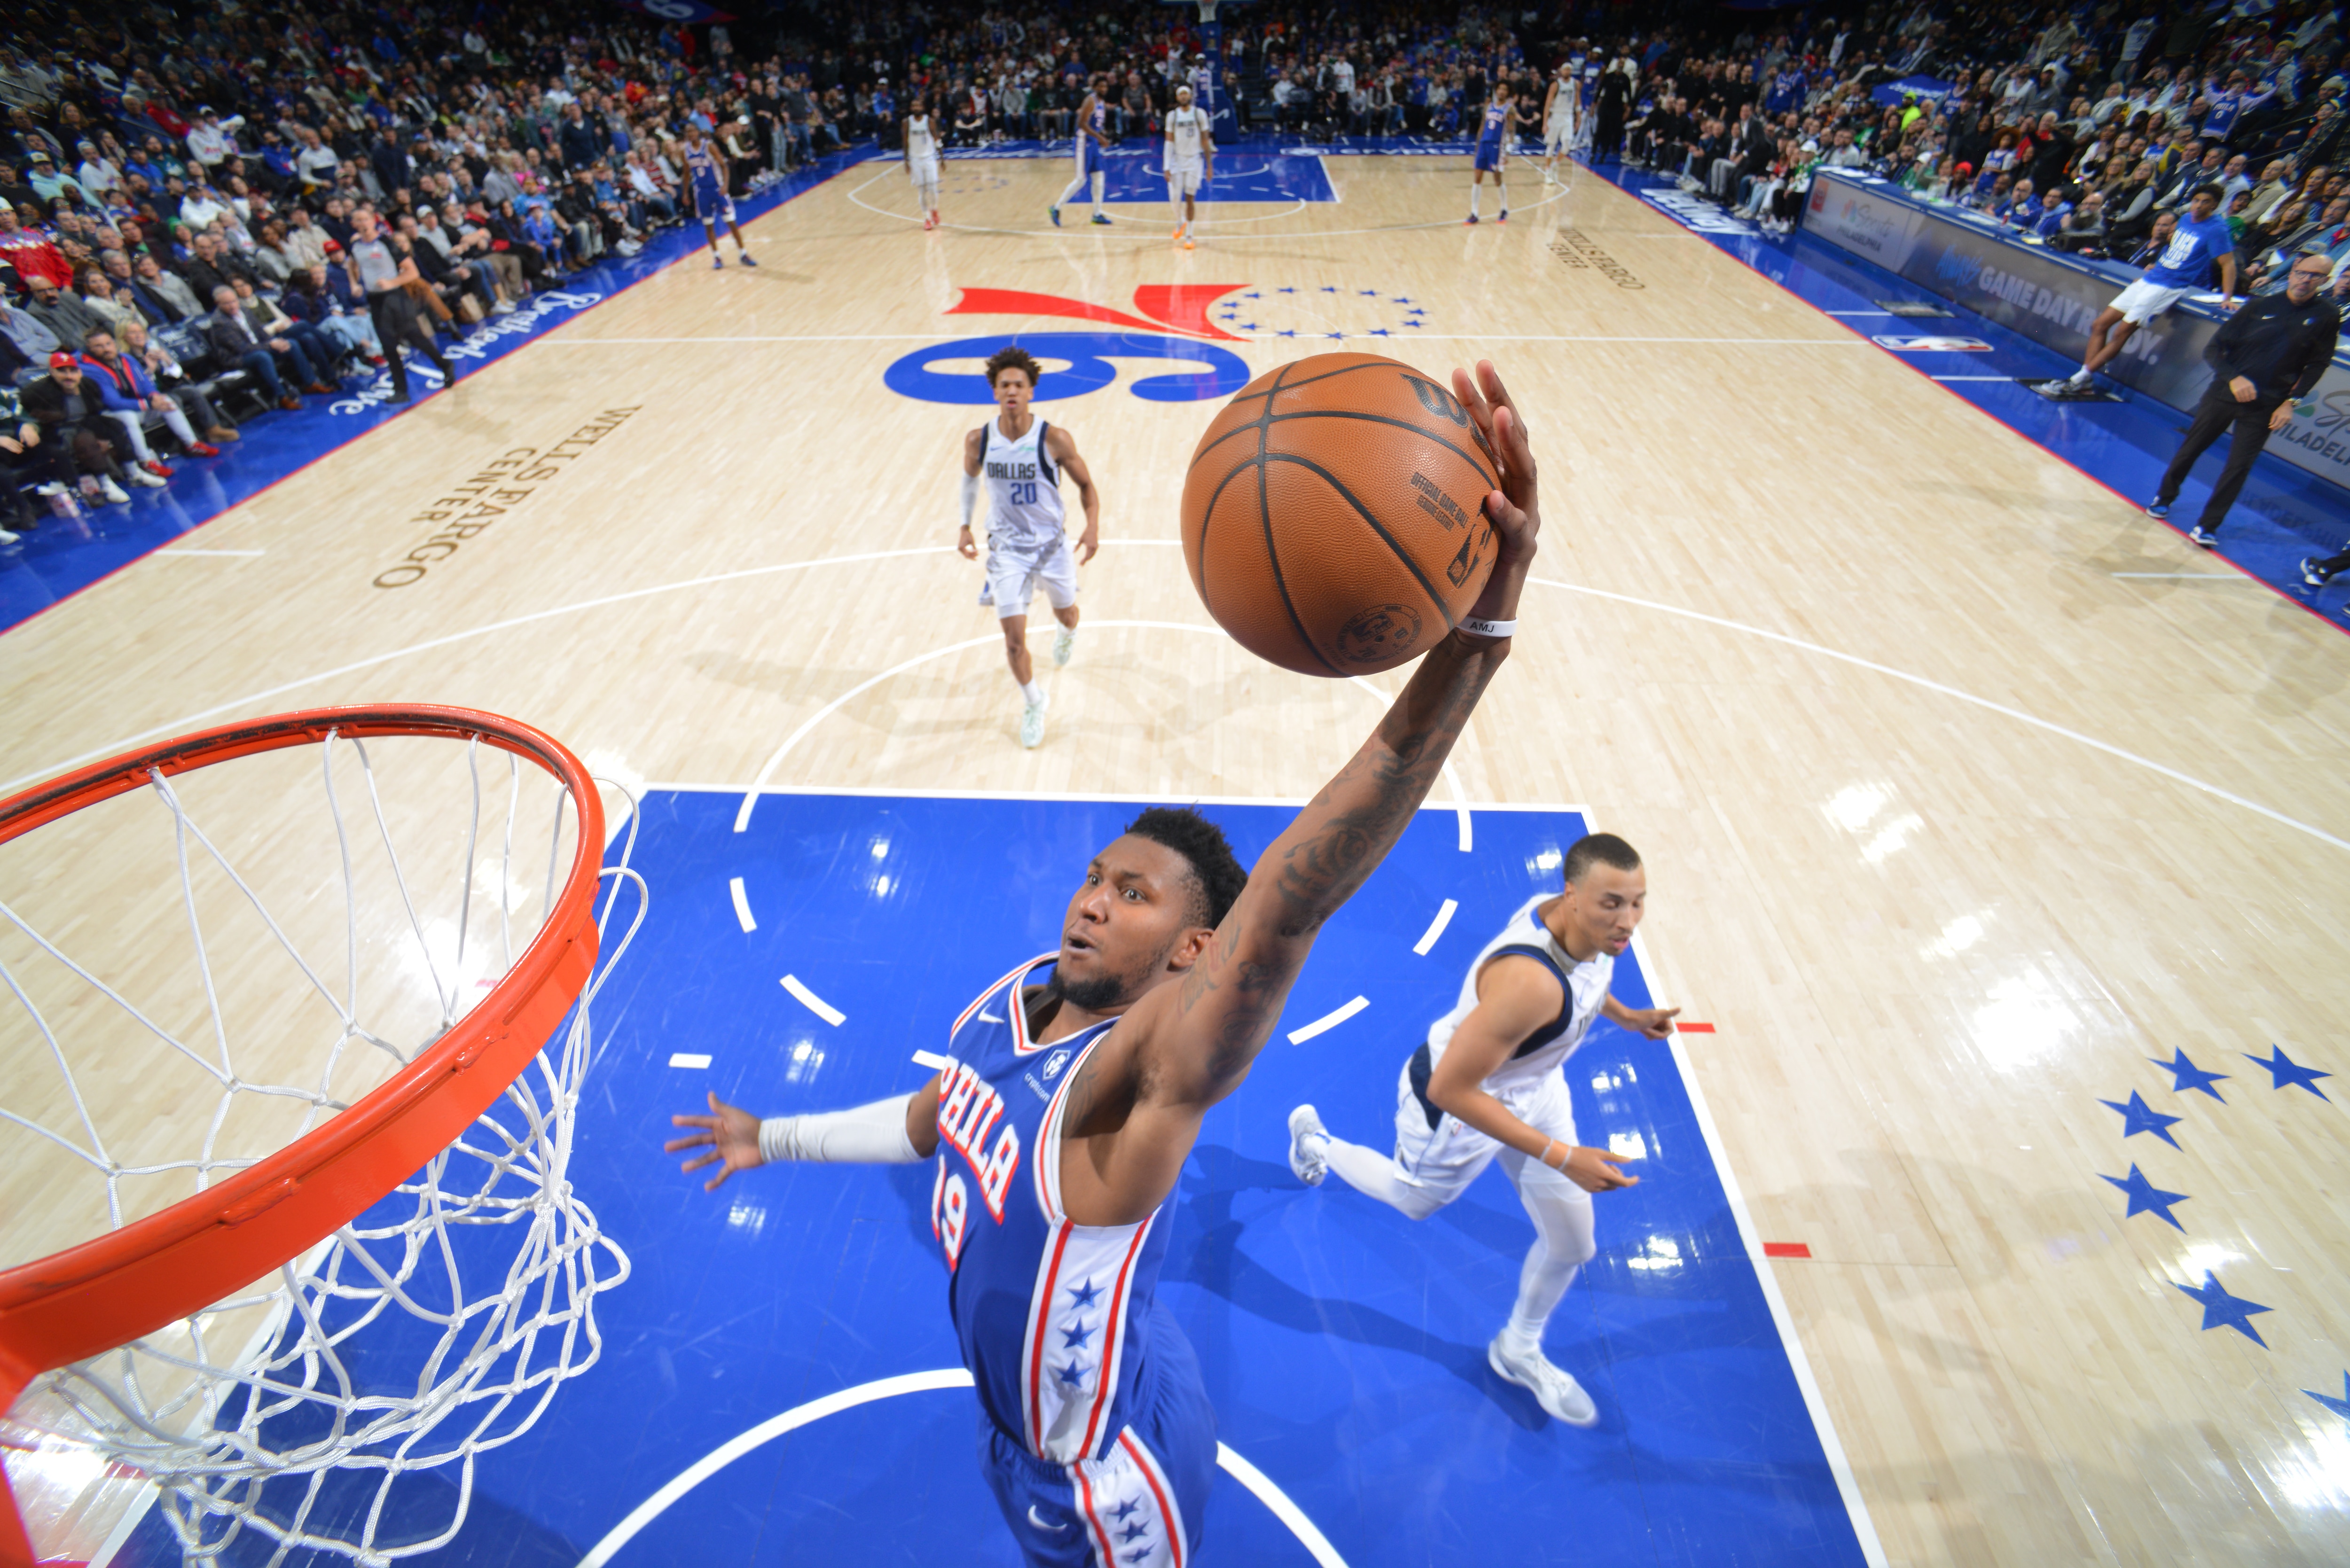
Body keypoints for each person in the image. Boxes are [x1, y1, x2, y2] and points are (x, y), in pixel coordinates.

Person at [666, 359, 1539, 1568]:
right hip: (1107, 1361)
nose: (1090, 900)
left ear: (1191, 949)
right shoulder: (1013, 996)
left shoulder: (1145, 1062)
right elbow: (932, 1119)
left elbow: (1289, 900)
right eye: (1095, 875)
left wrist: (1480, 635)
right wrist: (780, 1135)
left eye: (1134, 895)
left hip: (1091, 1481)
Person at [1285, 833, 1675, 1425]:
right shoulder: (1528, 984)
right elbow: (1451, 1088)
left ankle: (1517, 1349)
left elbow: (1588, 982)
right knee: (1412, 1201)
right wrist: (1562, 1156)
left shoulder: (1583, 931)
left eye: (1637, 902)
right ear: (1571, 896)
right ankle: (1316, 1141)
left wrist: (1627, 1017)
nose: (1628, 921)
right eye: (1612, 904)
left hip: (1534, 1089)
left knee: (1573, 1244)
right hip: (1456, 1105)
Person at [955, 346, 1100, 748]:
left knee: (1067, 613)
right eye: (1005, 385)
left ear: (1032, 391)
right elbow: (969, 481)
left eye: (1020, 384)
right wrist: (965, 525)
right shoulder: (979, 440)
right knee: (1014, 640)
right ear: (995, 392)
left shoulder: (1053, 438)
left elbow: (1087, 486)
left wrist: (1092, 527)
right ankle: (1035, 701)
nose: (1012, 391)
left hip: (1052, 547)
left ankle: (1065, 630)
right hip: (1007, 552)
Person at [2146, 253, 2340, 546]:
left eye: (2316, 276)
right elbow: (2214, 349)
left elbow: (2318, 364)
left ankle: (2208, 526)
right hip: (2224, 394)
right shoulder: (2261, 305)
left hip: (2268, 403)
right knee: (2192, 448)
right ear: (2292, 273)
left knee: (2239, 467)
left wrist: (2292, 401)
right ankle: (2165, 496)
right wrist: (2234, 378)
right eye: (2302, 272)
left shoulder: (2327, 315)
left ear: (2326, 281)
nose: (2306, 279)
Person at [2054, 183, 2237, 395]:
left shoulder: (2217, 230)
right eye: (2196, 200)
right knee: (2100, 325)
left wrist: (2227, 297)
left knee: (2122, 332)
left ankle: (2080, 378)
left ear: (2215, 205)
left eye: (2205, 202)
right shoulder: (2186, 219)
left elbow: (2228, 264)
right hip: (2151, 278)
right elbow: (2173, 250)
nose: (2199, 205)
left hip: (2169, 287)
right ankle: (2084, 379)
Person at [348, 209, 456, 405]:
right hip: (376, 299)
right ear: (353, 224)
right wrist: (355, 283)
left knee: (415, 337)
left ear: (373, 221)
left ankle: (445, 364)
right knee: (389, 346)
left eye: (365, 219)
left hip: (396, 297)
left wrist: (392, 282)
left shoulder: (386, 243)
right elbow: (352, 265)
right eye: (358, 220)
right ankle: (401, 391)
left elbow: (412, 272)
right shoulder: (356, 246)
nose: (363, 223)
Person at [78, 326, 219, 469]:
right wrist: (148, 404)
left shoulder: (126, 359)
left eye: (108, 344)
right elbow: (113, 402)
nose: (106, 349)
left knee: (166, 401)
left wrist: (154, 396)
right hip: (111, 414)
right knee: (128, 417)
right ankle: (146, 462)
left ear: (114, 343)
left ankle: (191, 444)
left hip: (138, 406)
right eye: (99, 346)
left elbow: (145, 383)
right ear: (89, 348)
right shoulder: (89, 369)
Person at [23, 351, 143, 501]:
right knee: (85, 439)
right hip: (59, 429)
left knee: (116, 425)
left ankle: (134, 472)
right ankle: (105, 483)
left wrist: (103, 436)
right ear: (52, 372)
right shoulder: (37, 392)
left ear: (79, 371)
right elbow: (40, 418)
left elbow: (96, 409)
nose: (68, 376)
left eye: (72, 370)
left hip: (86, 421)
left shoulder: (87, 384)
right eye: (62, 371)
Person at [682, 122, 756, 268]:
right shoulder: (685, 151)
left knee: (731, 223)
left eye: (693, 131)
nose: (691, 134)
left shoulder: (709, 146)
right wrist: (685, 193)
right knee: (708, 226)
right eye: (688, 132)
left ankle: (743, 253)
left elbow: (724, 166)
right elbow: (686, 173)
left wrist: (725, 186)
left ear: (698, 132)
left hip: (717, 189)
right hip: (702, 192)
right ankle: (716, 257)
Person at [1051, 75, 1114, 227]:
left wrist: (1101, 136)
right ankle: (1056, 208)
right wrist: (1100, 137)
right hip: (1083, 142)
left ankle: (1097, 215)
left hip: (1093, 144)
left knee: (1099, 177)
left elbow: (1096, 124)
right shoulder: (1090, 100)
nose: (1103, 89)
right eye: (1101, 86)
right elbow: (1081, 123)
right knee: (1081, 180)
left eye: (1105, 87)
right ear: (1095, 88)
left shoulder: (1102, 102)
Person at [1162, 83, 1212, 250]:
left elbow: (1206, 140)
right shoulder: (1172, 116)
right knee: (1174, 198)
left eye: (1186, 94)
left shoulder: (1199, 114)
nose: (1184, 97)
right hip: (1177, 160)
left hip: (1194, 161)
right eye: (1181, 94)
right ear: (1177, 98)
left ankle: (1189, 235)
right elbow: (1168, 142)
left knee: (1190, 198)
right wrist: (1166, 166)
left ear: (1190, 96)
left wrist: (1209, 166)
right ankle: (1180, 221)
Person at [1468, 84, 1519, 225]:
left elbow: (1511, 130)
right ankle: (1474, 212)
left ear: (1508, 93)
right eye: (1500, 89)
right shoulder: (1488, 106)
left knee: (1497, 179)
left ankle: (1504, 209)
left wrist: (1508, 151)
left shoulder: (1510, 109)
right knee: (1477, 177)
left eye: (1505, 89)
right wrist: (1476, 148)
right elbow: (1482, 128)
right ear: (1496, 91)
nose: (1502, 91)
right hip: (1484, 144)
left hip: (1498, 147)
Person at [905, 94, 942, 231]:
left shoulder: (929, 121)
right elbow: (905, 142)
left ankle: (934, 209)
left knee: (932, 189)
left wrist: (942, 158)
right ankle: (926, 218)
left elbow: (937, 139)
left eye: (919, 105)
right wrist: (906, 161)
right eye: (914, 106)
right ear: (911, 108)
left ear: (923, 107)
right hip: (915, 159)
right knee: (921, 190)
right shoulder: (907, 122)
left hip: (929, 158)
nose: (916, 108)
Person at [1542, 61, 1578, 185]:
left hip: (1568, 117)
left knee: (1567, 146)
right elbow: (1547, 105)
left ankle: (1555, 165)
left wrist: (1579, 118)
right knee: (1551, 145)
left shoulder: (1576, 84)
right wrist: (1545, 123)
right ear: (1561, 71)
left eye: (1569, 70)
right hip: (1556, 116)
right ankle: (1547, 172)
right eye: (1565, 70)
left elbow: (1578, 103)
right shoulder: (1556, 85)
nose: (1567, 72)